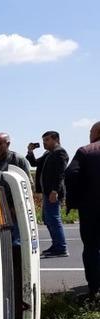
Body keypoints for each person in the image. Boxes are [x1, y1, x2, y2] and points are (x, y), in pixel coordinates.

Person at [64, 121, 100, 296]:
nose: (89, 135)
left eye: (90, 131)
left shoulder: (86, 151)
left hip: (92, 208)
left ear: (96, 132)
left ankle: (95, 289)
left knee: (92, 247)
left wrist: (76, 200)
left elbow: (71, 174)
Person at [27, 131, 70, 257]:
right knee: (48, 219)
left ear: (56, 139)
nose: (44, 143)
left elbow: (60, 174)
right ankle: (56, 245)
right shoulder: (48, 153)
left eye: (47, 140)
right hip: (47, 192)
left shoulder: (60, 152)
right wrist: (30, 152)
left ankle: (61, 248)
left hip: (53, 192)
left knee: (54, 219)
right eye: (43, 140)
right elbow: (34, 163)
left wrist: (55, 191)